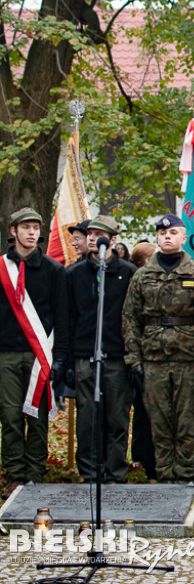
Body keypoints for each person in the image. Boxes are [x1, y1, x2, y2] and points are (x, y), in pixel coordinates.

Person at [122, 214, 194, 483]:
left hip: (188, 357)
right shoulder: (142, 276)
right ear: (156, 238)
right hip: (153, 358)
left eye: (173, 232)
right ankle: (164, 474)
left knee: (186, 420)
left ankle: (186, 475)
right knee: (159, 420)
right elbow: (130, 319)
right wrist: (134, 360)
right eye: (162, 233)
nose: (167, 237)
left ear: (183, 238)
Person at [0, 208, 69, 496]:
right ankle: (14, 474)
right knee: (10, 416)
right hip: (6, 354)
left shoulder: (53, 270)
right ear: (13, 231)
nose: (32, 232)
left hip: (41, 356)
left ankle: (35, 473)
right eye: (25, 227)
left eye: (36, 227)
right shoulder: (1, 268)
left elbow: (63, 315)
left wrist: (61, 357)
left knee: (37, 417)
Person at [66, 215, 137, 482]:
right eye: (90, 233)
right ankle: (89, 470)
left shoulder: (128, 272)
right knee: (87, 417)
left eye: (100, 233)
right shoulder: (73, 274)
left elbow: (133, 318)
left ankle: (115, 470)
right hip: (85, 356)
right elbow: (68, 318)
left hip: (117, 357)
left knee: (117, 418)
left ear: (113, 239)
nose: (94, 237)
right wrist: (68, 359)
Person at [127, 240, 158, 479]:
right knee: (143, 411)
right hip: (143, 354)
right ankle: (143, 455)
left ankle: (147, 457)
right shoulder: (138, 280)